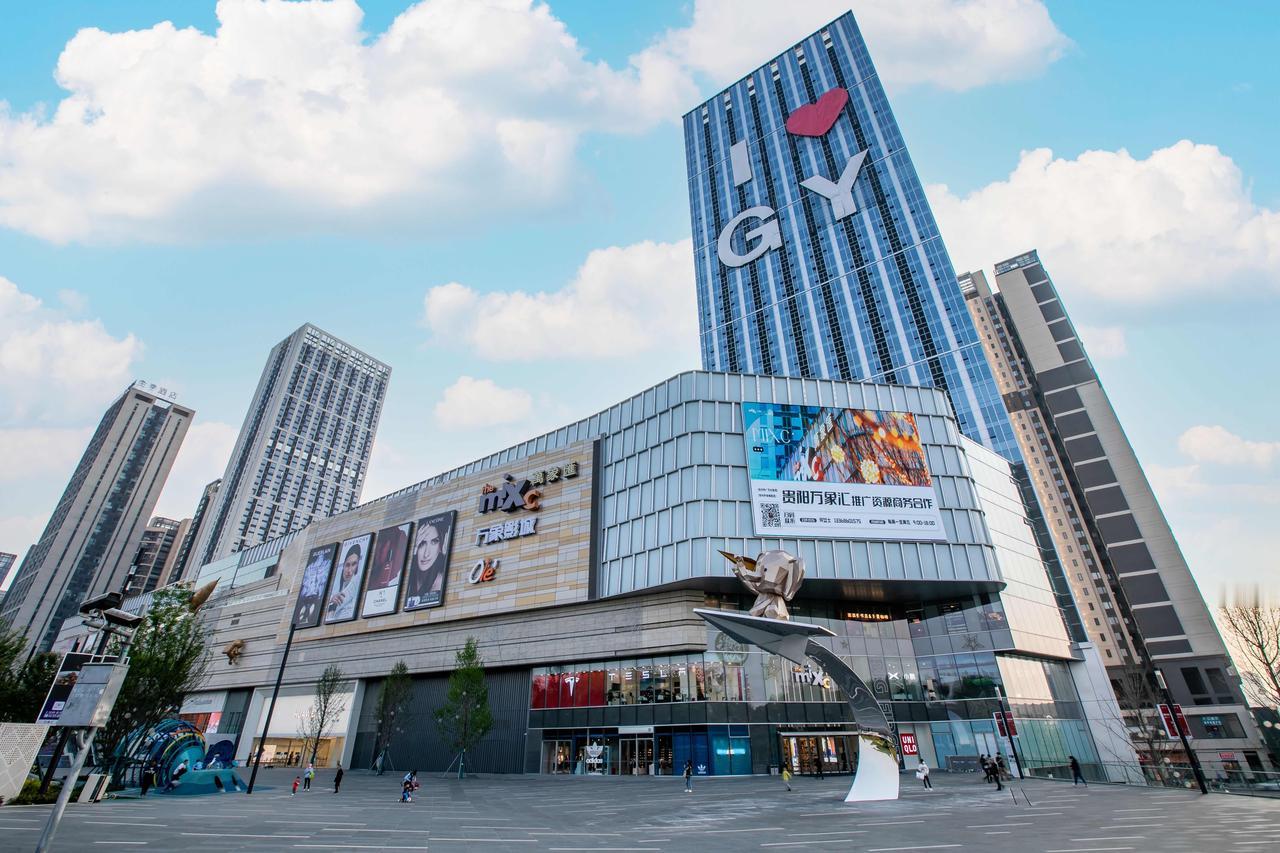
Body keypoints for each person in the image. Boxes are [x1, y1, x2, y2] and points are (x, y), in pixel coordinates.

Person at [404, 518, 451, 609]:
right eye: (422, 543)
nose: (426, 554)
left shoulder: (439, 583)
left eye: (434, 542)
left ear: (441, 546)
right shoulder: (409, 579)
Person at [326, 543, 364, 621]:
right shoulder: (336, 577)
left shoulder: (357, 580)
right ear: (343, 565)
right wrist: (331, 599)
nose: (349, 570)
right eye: (347, 565)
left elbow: (340, 601)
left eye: (354, 564)